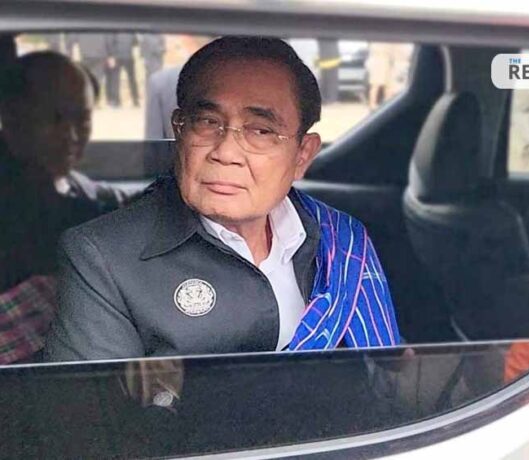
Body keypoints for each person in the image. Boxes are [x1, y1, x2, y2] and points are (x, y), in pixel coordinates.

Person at [45, 36, 400, 362]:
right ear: (179, 131)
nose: (226, 152)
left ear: (302, 155)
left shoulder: (343, 241)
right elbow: (92, 408)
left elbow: (385, 381)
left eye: (261, 130)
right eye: (207, 122)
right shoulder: (102, 258)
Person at [0, 51, 128, 364]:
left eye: (82, 120)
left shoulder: (66, 182)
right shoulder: (20, 195)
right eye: (55, 119)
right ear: (12, 119)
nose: (71, 136)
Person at [109, 33, 140, 108]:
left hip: (117, 56)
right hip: (128, 56)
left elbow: (111, 43)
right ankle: (135, 100)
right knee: (132, 79)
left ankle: (116, 101)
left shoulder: (114, 32)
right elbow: (136, 42)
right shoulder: (130, 31)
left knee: (115, 79)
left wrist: (111, 55)